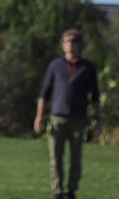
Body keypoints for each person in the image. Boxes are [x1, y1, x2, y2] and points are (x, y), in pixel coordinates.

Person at [34, 28, 101, 199]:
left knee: (75, 159)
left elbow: (95, 97)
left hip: (78, 119)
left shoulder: (88, 68)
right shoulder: (55, 65)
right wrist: (39, 117)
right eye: (67, 41)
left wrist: (97, 121)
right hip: (57, 119)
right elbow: (44, 94)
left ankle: (71, 191)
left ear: (80, 45)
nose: (70, 44)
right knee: (55, 159)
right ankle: (58, 191)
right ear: (62, 45)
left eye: (74, 41)